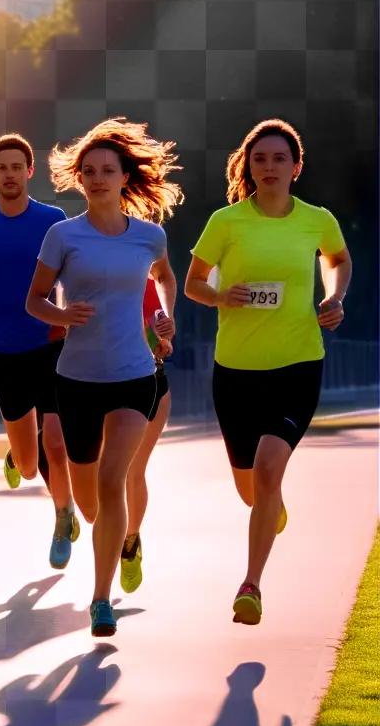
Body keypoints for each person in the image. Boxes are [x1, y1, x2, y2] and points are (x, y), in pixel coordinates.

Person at [185, 119, 351, 626]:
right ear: (248, 167)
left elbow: (338, 259)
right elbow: (193, 284)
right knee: (251, 489)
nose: (270, 167)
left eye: (280, 159)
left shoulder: (317, 219)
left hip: (298, 363)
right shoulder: (225, 222)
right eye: (261, 159)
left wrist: (334, 295)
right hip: (235, 371)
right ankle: (270, 508)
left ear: (296, 167)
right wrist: (219, 295)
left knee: (269, 466)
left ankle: (251, 584)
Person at [26, 118, 182, 637]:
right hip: (76, 380)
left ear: (123, 177)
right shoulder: (62, 235)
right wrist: (60, 316)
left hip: (134, 375)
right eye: (88, 171)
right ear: (79, 179)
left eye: (106, 170)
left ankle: (100, 599)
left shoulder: (149, 234)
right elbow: (34, 300)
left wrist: (163, 315)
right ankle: (112, 535)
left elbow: (164, 278)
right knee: (91, 503)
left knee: (116, 481)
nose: (96, 178)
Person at [0, 133, 79, 570]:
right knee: (31, 465)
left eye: (17, 167)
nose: (10, 174)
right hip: (6, 351)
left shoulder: (53, 220)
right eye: (2, 168)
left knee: (56, 442)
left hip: (51, 346)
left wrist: (70, 317)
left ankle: (62, 514)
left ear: (29, 171)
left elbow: (73, 277)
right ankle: (19, 453)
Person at [119, 277, 174, 593]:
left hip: (151, 384)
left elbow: (159, 327)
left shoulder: (144, 282)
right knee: (109, 473)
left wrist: (163, 338)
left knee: (133, 471)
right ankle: (113, 536)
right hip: (104, 386)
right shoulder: (88, 276)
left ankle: (130, 541)